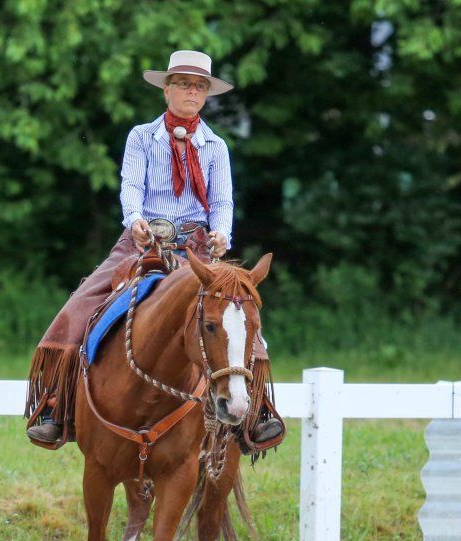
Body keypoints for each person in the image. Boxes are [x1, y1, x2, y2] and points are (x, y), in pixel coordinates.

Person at [25, 50, 284, 451]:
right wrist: (135, 220)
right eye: (182, 84)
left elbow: (222, 202)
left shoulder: (215, 146)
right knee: (80, 305)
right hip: (143, 241)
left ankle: (256, 413)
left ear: (206, 95)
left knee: (242, 318)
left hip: (198, 247)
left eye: (199, 86)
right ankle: (57, 406)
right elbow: (131, 185)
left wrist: (222, 235)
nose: (191, 93)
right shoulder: (141, 137)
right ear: (166, 89)